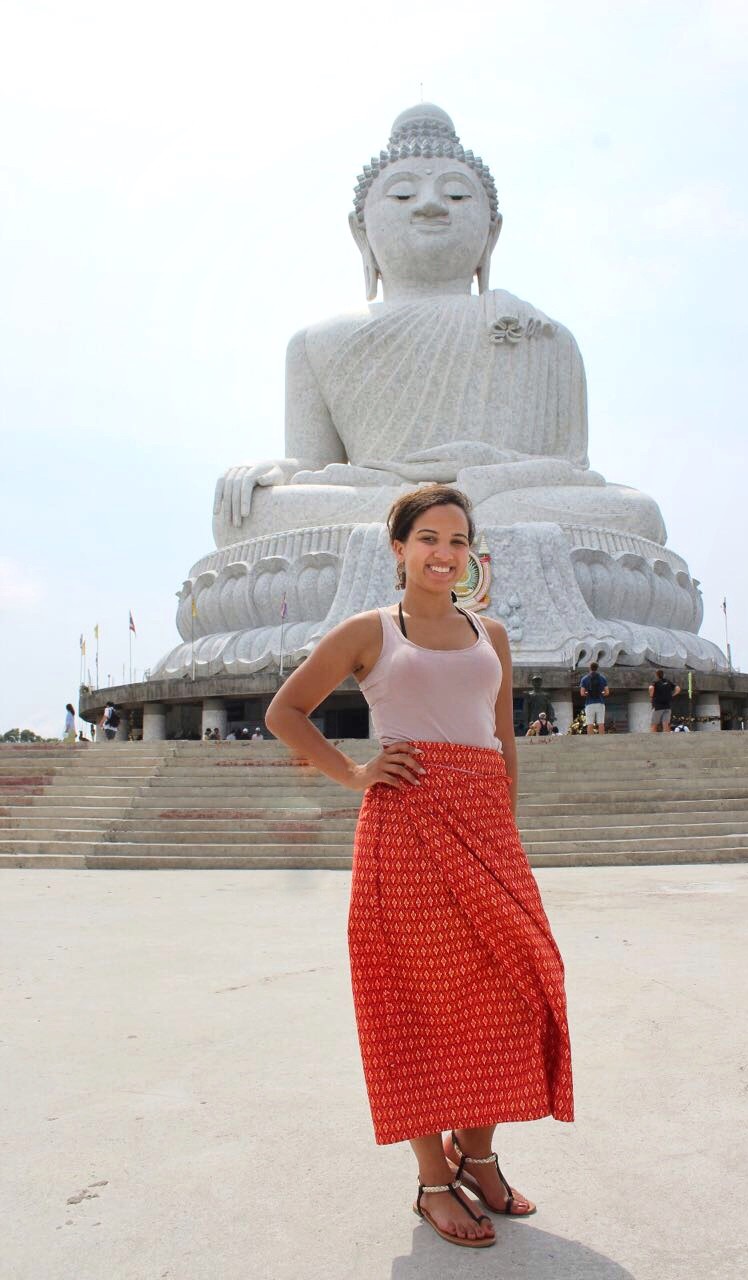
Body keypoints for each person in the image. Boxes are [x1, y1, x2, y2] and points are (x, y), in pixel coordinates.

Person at [265, 484, 573, 1250]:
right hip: (403, 833)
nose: (444, 553)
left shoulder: (489, 634)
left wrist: (504, 829)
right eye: (428, 538)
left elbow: (503, 743)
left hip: (483, 826)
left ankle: (481, 1158)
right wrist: (354, 774)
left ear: (472, 554)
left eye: (458, 540)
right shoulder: (370, 631)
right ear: (398, 548)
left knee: (512, 988)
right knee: (416, 1004)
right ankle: (434, 1181)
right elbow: (285, 711)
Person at [579, 662, 608, 734]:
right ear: (597, 668)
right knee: (601, 723)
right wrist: (601, 694)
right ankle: (601, 740)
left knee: (590, 724)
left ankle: (591, 741)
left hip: (589, 704)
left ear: (589, 668)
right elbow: (607, 692)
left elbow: (582, 693)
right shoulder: (602, 678)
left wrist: (588, 694)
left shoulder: (585, 679)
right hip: (600, 703)